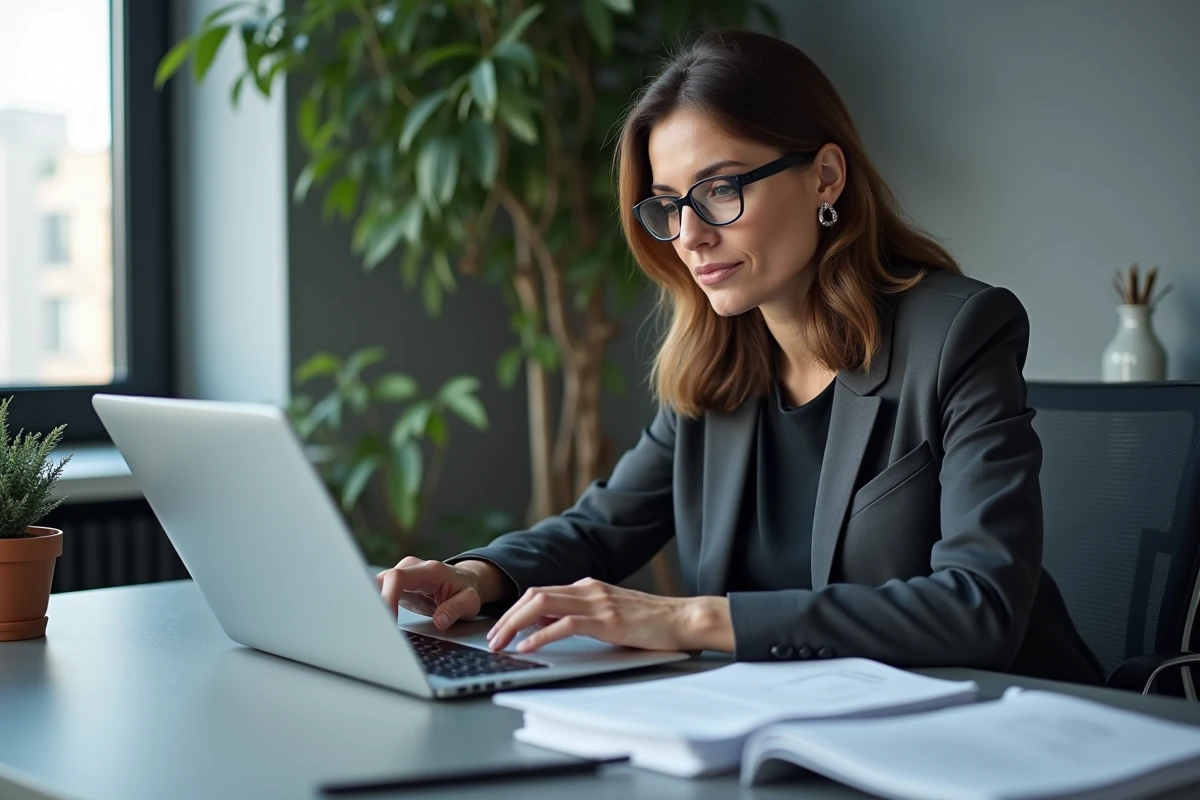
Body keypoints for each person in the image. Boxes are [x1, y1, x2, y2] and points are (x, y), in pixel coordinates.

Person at [376, 29, 1104, 685]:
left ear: (825, 177)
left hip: (1002, 726)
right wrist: (473, 574)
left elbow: (979, 608)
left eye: (719, 189)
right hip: (798, 726)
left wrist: (693, 619)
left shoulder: (960, 335)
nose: (688, 234)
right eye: (667, 203)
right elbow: (600, 527)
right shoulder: (719, 362)